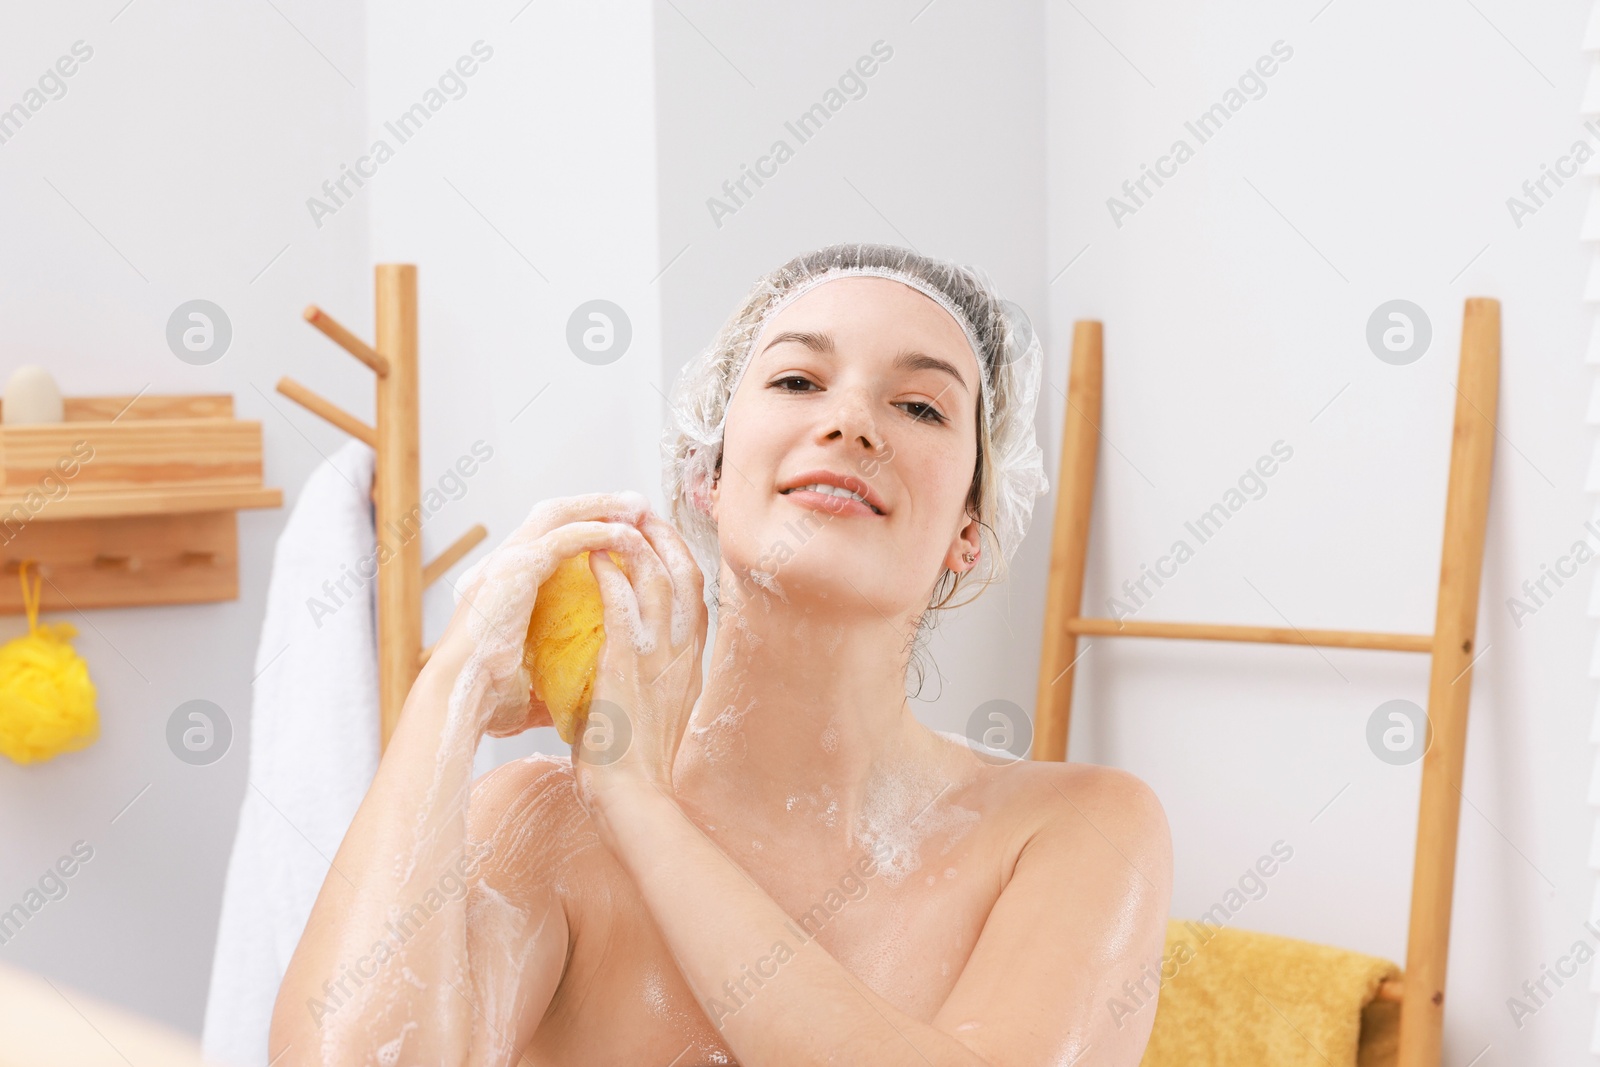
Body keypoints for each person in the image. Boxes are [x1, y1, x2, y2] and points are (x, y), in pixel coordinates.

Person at [270, 243, 1173, 1066]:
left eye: (919, 404)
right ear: (706, 474)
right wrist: (455, 683)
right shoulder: (543, 825)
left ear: (968, 532)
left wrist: (636, 802)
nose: (854, 421)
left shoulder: (1078, 831)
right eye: (795, 383)